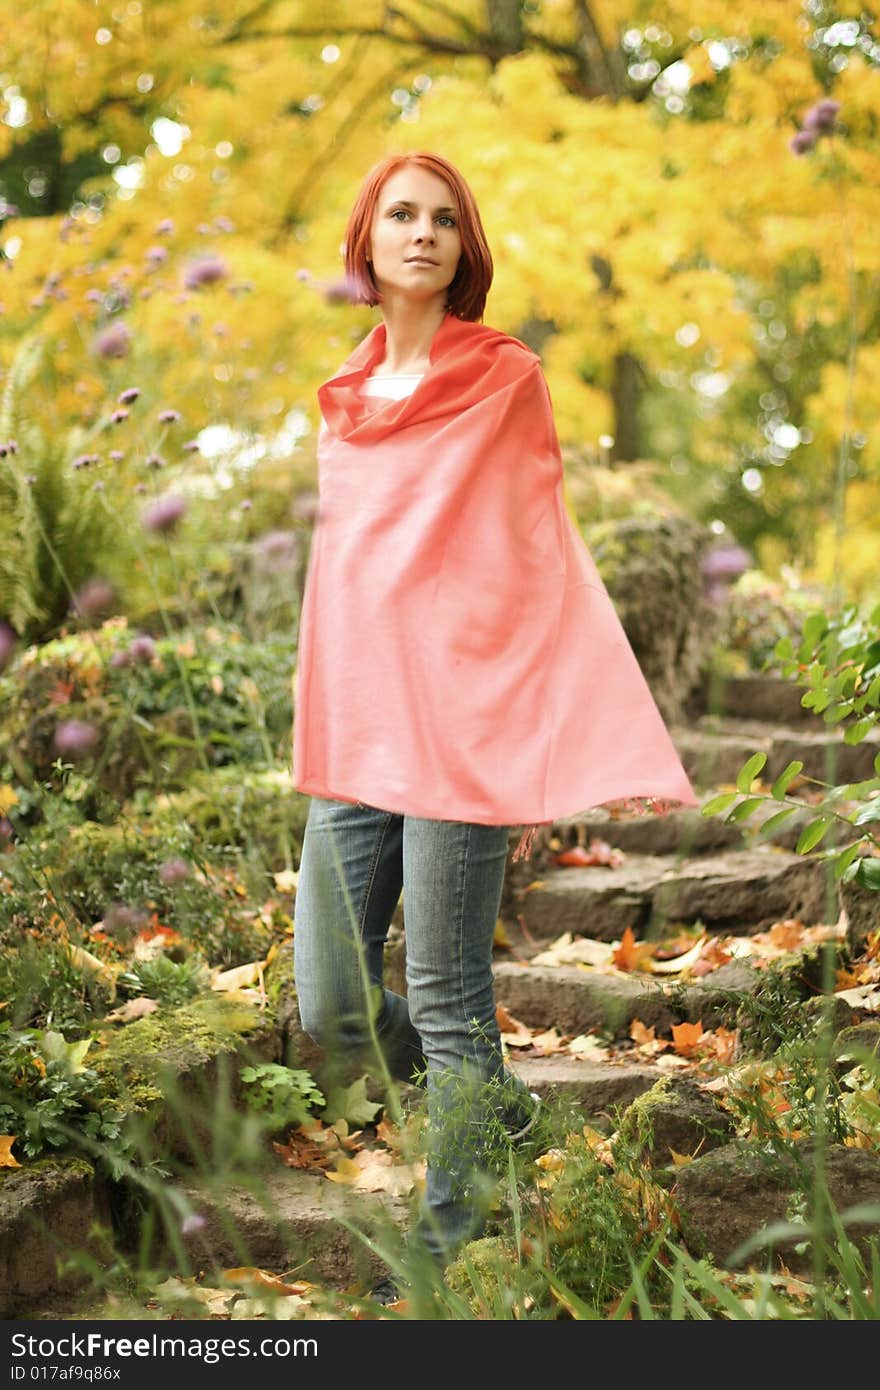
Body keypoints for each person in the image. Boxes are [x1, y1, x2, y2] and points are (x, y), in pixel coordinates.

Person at [291, 152, 698, 1294]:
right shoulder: (340, 398)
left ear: (463, 248)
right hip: (358, 733)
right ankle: (502, 1111)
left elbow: (529, 557)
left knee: (450, 998)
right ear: (366, 243)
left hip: (459, 725)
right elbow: (343, 585)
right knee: (328, 999)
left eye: (442, 220)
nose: (422, 234)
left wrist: (531, 721)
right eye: (400, 216)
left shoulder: (501, 375)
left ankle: (447, 1237)